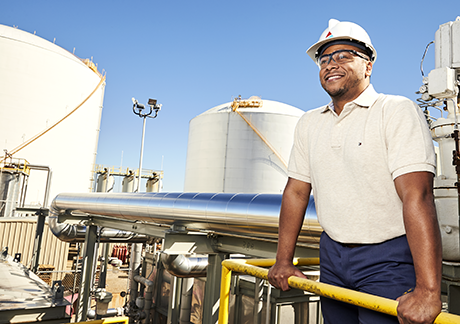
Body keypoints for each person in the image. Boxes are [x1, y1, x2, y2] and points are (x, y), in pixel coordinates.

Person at [267, 19, 442, 324]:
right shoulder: (309, 123)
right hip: (332, 256)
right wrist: (283, 261)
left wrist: (428, 290)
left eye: (344, 55)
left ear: (368, 66)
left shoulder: (395, 111)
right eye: (324, 59)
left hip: (387, 260)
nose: (331, 64)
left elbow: (418, 195)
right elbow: (296, 192)